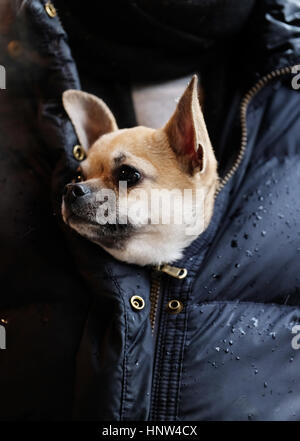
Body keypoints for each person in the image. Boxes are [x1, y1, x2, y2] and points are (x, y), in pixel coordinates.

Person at [0, 0, 299, 420]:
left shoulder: (289, 87)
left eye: (127, 177)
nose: (81, 192)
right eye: (81, 178)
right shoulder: (13, 74)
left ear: (193, 152)